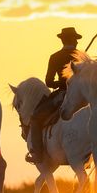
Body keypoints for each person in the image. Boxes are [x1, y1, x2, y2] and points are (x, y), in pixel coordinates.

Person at [25, 27, 83, 164]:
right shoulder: (82, 56)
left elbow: (48, 81)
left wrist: (58, 82)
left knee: (35, 119)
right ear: (75, 40)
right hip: (82, 94)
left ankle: (37, 154)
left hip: (62, 94)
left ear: (62, 40)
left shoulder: (55, 57)